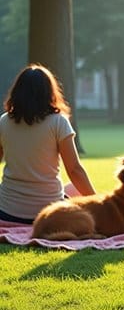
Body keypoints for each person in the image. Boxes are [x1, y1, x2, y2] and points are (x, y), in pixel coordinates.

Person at [0, 64, 96, 224]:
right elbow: (74, 170)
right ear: (49, 92)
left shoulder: (4, 121)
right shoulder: (58, 122)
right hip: (49, 214)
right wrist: (97, 201)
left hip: (7, 212)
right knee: (74, 189)